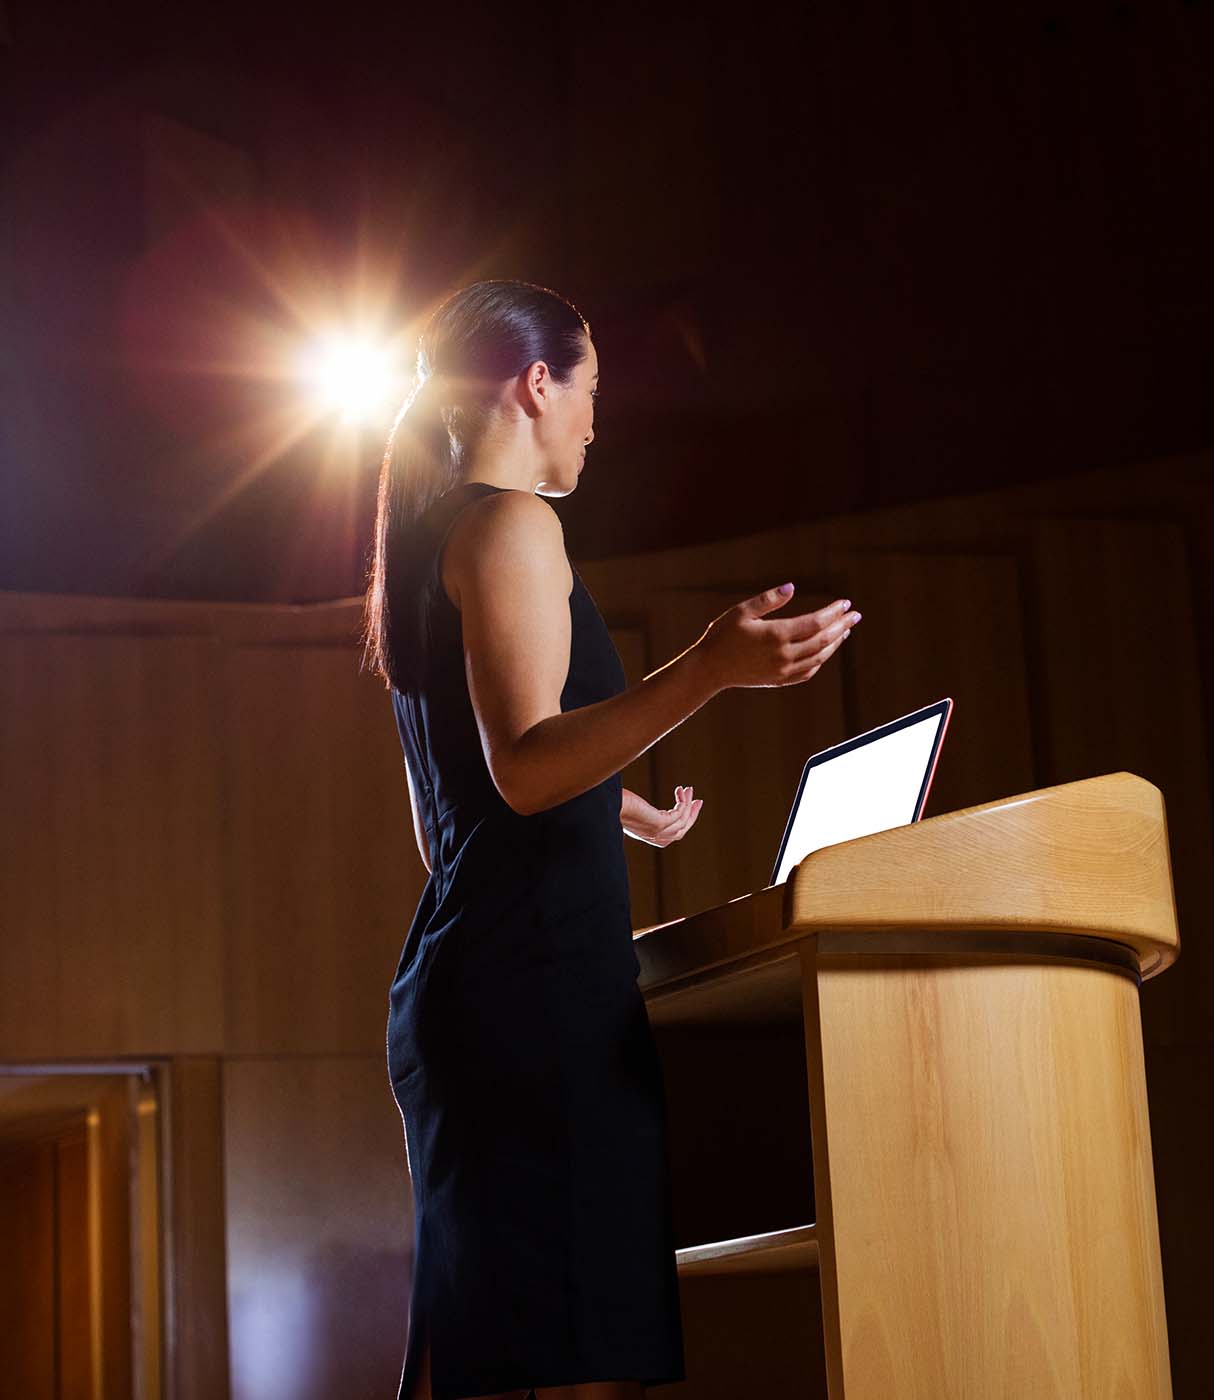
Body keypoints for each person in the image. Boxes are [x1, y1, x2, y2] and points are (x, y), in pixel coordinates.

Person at [358, 279, 862, 1400]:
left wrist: (614, 804)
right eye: (592, 390)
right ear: (536, 384)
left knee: (483, 1361)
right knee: (577, 1361)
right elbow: (523, 767)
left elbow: (454, 818)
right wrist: (709, 669)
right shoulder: (512, 522)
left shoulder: (432, 538)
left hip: (468, 986)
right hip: (535, 999)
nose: (597, 421)